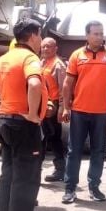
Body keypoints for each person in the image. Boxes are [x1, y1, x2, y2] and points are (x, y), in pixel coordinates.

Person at [0, 19, 49, 211]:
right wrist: (32, 113)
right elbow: (35, 85)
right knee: (26, 178)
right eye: (40, 35)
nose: (40, 40)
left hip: (5, 123)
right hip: (24, 125)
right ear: (32, 35)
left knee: (8, 175)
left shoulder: (4, 58)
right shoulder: (30, 58)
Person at [59, 20, 106, 203]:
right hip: (79, 111)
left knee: (98, 151)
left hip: (101, 113)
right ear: (87, 35)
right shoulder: (77, 55)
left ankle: (94, 187)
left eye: (101, 34)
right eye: (95, 33)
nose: (99, 37)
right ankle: (70, 189)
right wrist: (65, 107)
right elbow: (67, 83)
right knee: (74, 151)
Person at [40, 37, 68, 183]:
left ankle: (60, 170)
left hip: (53, 106)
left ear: (55, 49)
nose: (45, 49)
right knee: (43, 137)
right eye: (43, 46)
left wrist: (61, 108)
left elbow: (64, 89)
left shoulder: (58, 65)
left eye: (49, 46)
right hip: (42, 105)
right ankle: (37, 167)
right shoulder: (42, 63)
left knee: (52, 137)